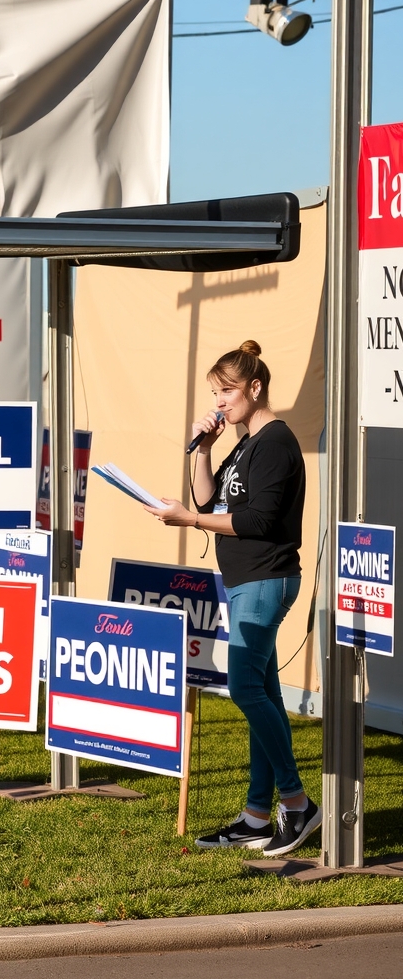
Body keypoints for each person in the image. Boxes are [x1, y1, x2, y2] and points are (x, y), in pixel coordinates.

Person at [144, 340, 320, 857]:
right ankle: (256, 816)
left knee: (244, 688)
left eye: (226, 391)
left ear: (255, 388)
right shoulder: (244, 444)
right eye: (215, 394)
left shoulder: (275, 442)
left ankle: (298, 803)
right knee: (262, 694)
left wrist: (191, 520)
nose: (219, 402)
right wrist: (203, 450)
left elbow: (257, 520)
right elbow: (208, 499)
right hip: (246, 581)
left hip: (266, 580)